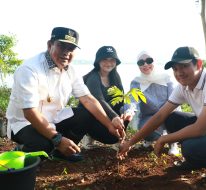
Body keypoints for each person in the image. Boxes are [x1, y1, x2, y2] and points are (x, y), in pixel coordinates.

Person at [118, 46, 206, 182]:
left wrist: (164, 139)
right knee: (172, 118)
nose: (179, 73)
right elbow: (160, 116)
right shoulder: (184, 86)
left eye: (184, 66)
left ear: (198, 64)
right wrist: (130, 142)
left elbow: (200, 129)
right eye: (175, 68)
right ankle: (195, 161)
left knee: (190, 148)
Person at [6, 27, 125, 162]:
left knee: (86, 113)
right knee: (43, 146)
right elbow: (29, 113)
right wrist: (57, 139)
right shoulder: (29, 70)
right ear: (50, 45)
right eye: (61, 46)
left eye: (71, 49)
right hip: (25, 123)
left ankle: (62, 153)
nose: (66, 53)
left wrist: (109, 125)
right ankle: (22, 149)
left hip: (54, 119)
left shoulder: (71, 71)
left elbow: (88, 100)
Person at [79, 46, 134, 150]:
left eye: (112, 60)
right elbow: (99, 100)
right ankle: (88, 135)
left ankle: (118, 139)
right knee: (109, 136)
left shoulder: (115, 76)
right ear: (98, 61)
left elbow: (121, 99)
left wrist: (128, 111)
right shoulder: (93, 78)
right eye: (105, 59)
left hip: (108, 115)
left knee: (126, 114)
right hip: (93, 117)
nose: (109, 63)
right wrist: (114, 117)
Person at [130, 51, 179, 155]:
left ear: (154, 62)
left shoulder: (166, 78)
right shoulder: (136, 82)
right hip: (149, 117)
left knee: (173, 119)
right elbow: (132, 100)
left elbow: (174, 100)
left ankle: (172, 142)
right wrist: (129, 110)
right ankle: (150, 138)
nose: (145, 65)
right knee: (145, 128)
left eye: (149, 61)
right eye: (141, 63)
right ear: (138, 66)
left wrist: (164, 114)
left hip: (168, 114)